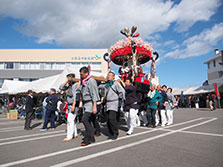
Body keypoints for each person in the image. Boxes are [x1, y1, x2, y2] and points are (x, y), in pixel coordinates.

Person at [78, 67, 100, 146]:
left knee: (84, 119)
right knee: (89, 121)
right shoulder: (83, 82)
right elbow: (78, 90)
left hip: (90, 103)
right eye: (80, 74)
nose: (81, 75)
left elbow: (94, 94)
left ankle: (87, 139)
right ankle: (92, 138)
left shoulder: (91, 81)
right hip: (85, 103)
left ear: (86, 73)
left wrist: (94, 106)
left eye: (82, 74)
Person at [102, 72, 125, 139]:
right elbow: (104, 94)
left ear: (113, 77)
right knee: (107, 119)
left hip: (114, 102)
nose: (108, 76)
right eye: (108, 75)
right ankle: (111, 132)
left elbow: (122, 91)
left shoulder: (116, 84)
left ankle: (115, 133)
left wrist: (119, 99)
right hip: (107, 103)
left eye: (110, 75)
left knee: (112, 118)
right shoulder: (106, 85)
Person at [60, 73, 80, 142]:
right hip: (69, 105)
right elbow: (61, 87)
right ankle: (75, 133)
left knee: (70, 120)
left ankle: (69, 136)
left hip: (73, 104)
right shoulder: (68, 85)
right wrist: (66, 82)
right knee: (72, 120)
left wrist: (74, 105)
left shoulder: (75, 85)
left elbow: (75, 96)